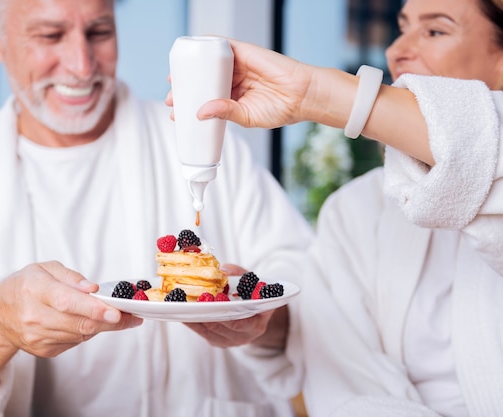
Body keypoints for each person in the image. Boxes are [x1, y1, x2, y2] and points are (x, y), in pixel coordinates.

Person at [0, 0, 313, 416]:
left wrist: (258, 319)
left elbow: (313, 301)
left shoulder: (204, 144)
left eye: (99, 32)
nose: (82, 65)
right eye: (50, 35)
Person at [168, 0, 503, 415]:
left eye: (435, 31)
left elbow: (486, 150)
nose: (396, 49)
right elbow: (344, 384)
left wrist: (320, 95)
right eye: (401, 26)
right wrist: (260, 319)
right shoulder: (354, 211)